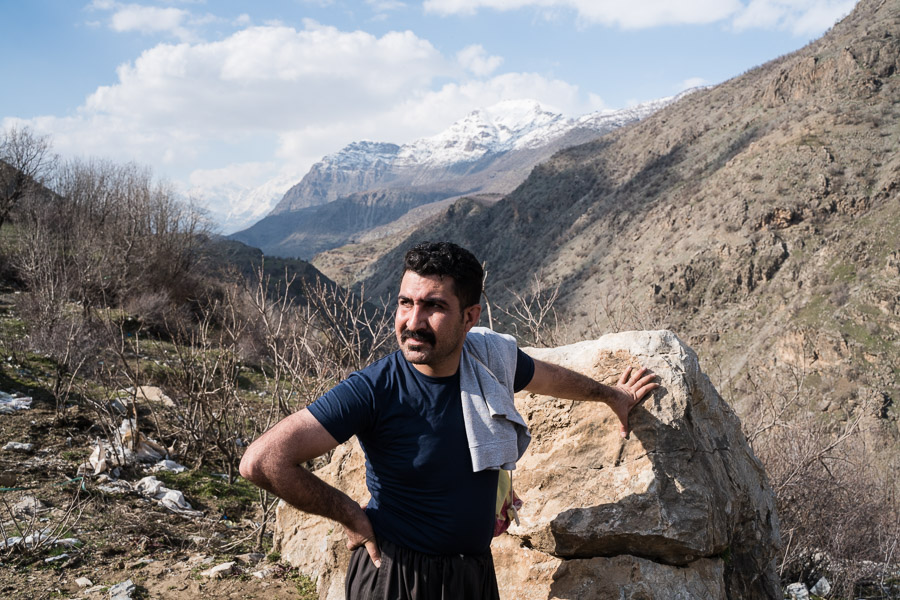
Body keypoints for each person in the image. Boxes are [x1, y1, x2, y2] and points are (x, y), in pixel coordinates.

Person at [239, 241, 658, 599]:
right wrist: (351, 515)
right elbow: (262, 461)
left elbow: (549, 378)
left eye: (433, 306)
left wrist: (611, 395)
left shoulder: (489, 362)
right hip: (397, 577)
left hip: (472, 576)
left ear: (470, 318)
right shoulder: (374, 389)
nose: (413, 322)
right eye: (406, 303)